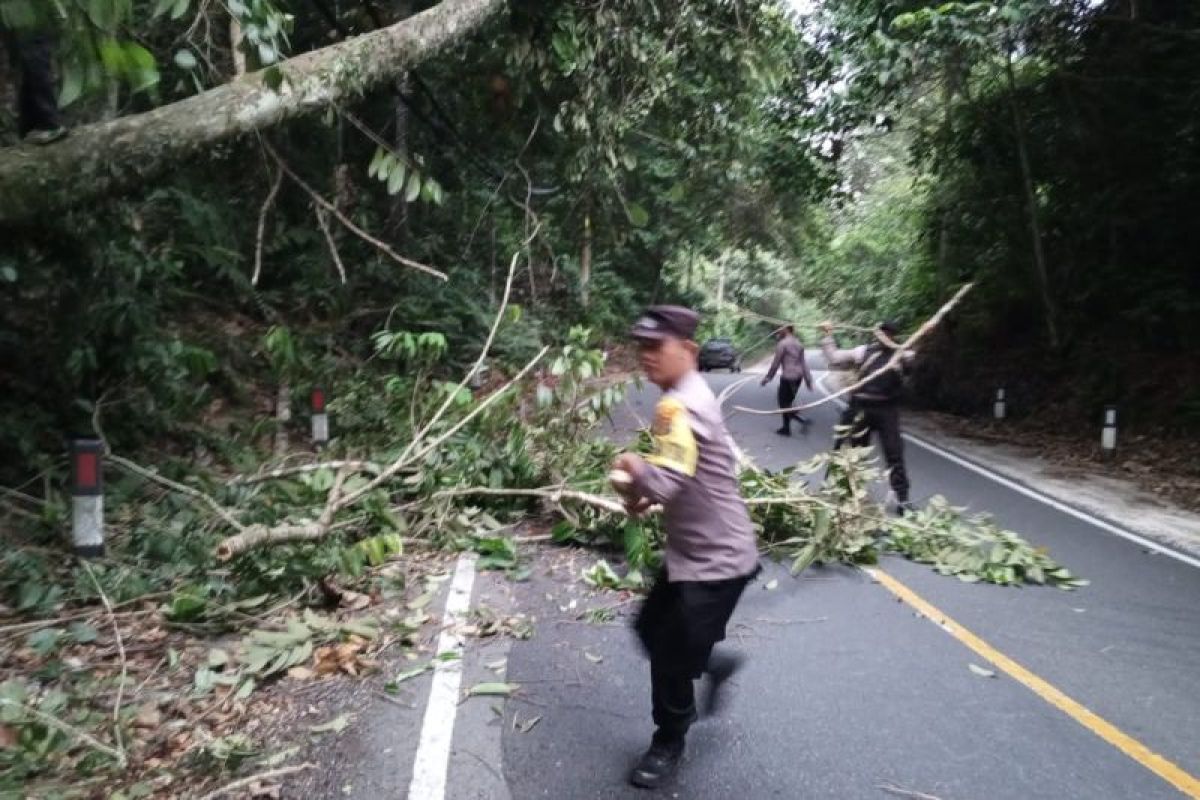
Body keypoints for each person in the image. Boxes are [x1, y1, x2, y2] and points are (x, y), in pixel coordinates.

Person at [611, 305, 760, 790]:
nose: (646, 357)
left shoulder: (682, 405)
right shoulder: (679, 397)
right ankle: (712, 664)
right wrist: (638, 492)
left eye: (658, 347)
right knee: (650, 628)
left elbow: (666, 483)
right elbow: (672, 480)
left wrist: (634, 468)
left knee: (670, 656)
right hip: (694, 555)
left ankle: (668, 742)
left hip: (717, 562)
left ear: (689, 351)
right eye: (642, 347)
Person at [819, 320, 914, 514]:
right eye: (882, 333)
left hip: (887, 410)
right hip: (860, 408)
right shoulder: (863, 352)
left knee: (894, 454)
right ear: (876, 334)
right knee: (853, 453)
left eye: (889, 333)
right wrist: (828, 336)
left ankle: (902, 500)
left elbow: (913, 362)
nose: (885, 337)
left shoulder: (903, 354)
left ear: (894, 335)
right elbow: (835, 358)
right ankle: (850, 494)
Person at [4, 30, 66, 144]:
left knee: (33, 56)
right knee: (26, 67)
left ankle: (51, 125)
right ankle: (29, 127)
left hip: (29, 23)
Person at [760, 324, 813, 436]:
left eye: (781, 329)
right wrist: (808, 380)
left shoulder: (783, 344)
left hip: (788, 377)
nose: (779, 331)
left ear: (787, 329)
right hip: (798, 377)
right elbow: (803, 364)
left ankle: (798, 422)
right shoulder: (799, 344)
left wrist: (768, 378)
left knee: (783, 404)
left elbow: (775, 363)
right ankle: (786, 428)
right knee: (787, 403)